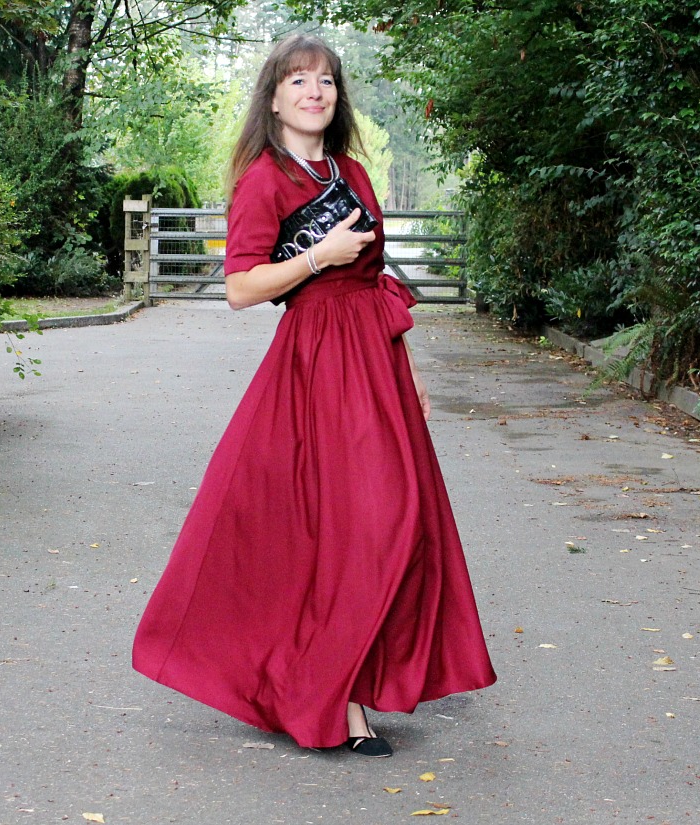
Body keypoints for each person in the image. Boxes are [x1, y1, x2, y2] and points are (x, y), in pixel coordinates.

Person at [133, 34, 496, 758]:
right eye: (298, 80)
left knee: (400, 518)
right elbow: (241, 288)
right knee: (354, 527)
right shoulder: (264, 180)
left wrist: (407, 367)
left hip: (375, 362)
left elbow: (376, 281)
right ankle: (342, 700)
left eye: (325, 80)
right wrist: (315, 257)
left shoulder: (352, 173)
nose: (314, 92)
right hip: (316, 366)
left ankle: (353, 676)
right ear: (274, 98)